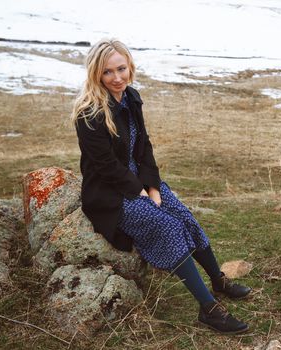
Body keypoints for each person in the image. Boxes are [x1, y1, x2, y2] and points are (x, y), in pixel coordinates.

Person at [71, 38, 251, 334]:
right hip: (110, 193)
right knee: (167, 227)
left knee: (184, 217)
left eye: (121, 69)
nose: (117, 78)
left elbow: (144, 147)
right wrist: (139, 193)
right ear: (96, 74)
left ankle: (218, 282)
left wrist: (153, 188)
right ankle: (209, 310)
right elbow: (105, 166)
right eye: (107, 72)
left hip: (140, 181)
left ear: (129, 66)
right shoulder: (89, 113)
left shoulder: (131, 97)